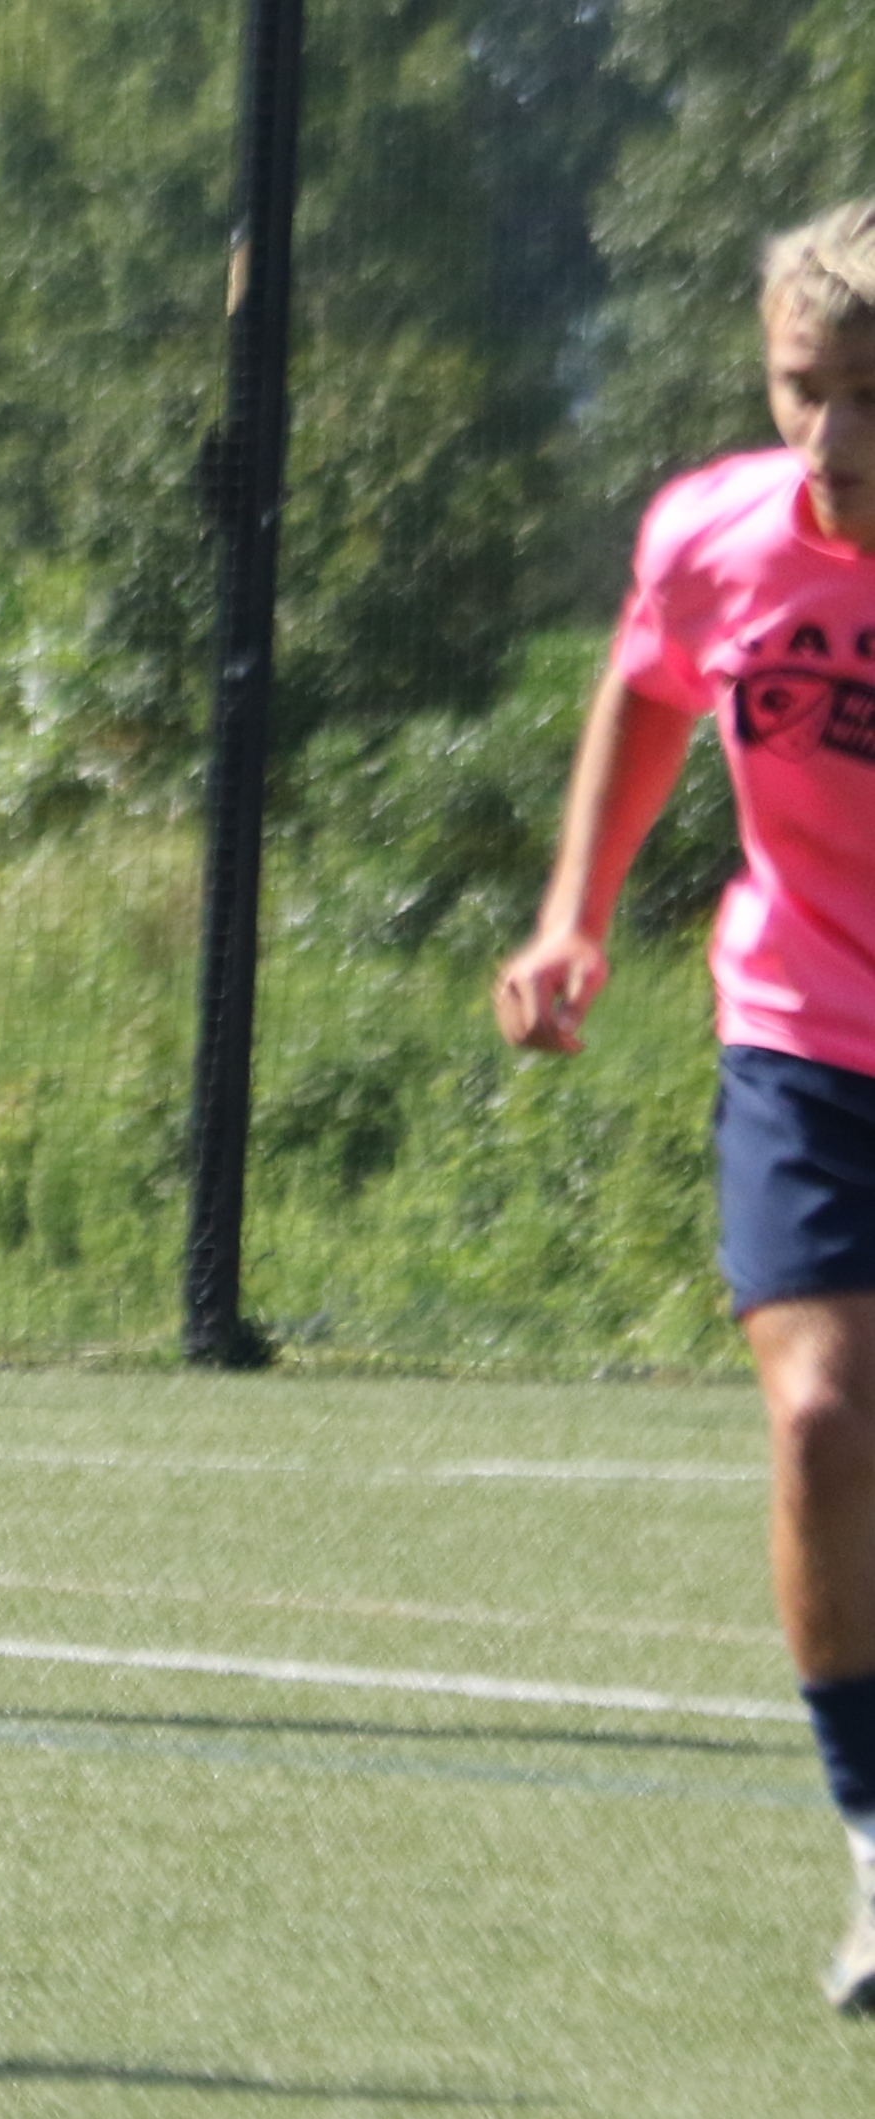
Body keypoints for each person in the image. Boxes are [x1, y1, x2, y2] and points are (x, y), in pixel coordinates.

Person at [496, 195, 875, 2011]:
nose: (835, 436)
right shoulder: (713, 535)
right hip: (799, 1028)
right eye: (806, 387)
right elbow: (645, 689)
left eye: (874, 395)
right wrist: (574, 914)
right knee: (818, 1421)